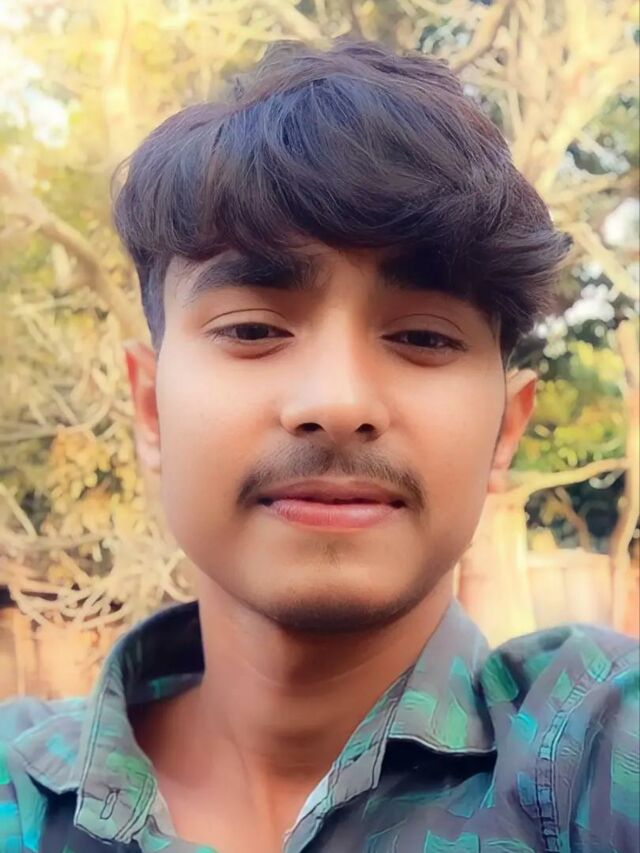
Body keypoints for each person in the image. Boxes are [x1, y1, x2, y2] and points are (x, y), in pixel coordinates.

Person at [0, 38, 637, 853]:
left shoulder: (598, 755)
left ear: (504, 431)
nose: (338, 402)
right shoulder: (21, 796)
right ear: (151, 408)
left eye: (422, 336)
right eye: (253, 329)